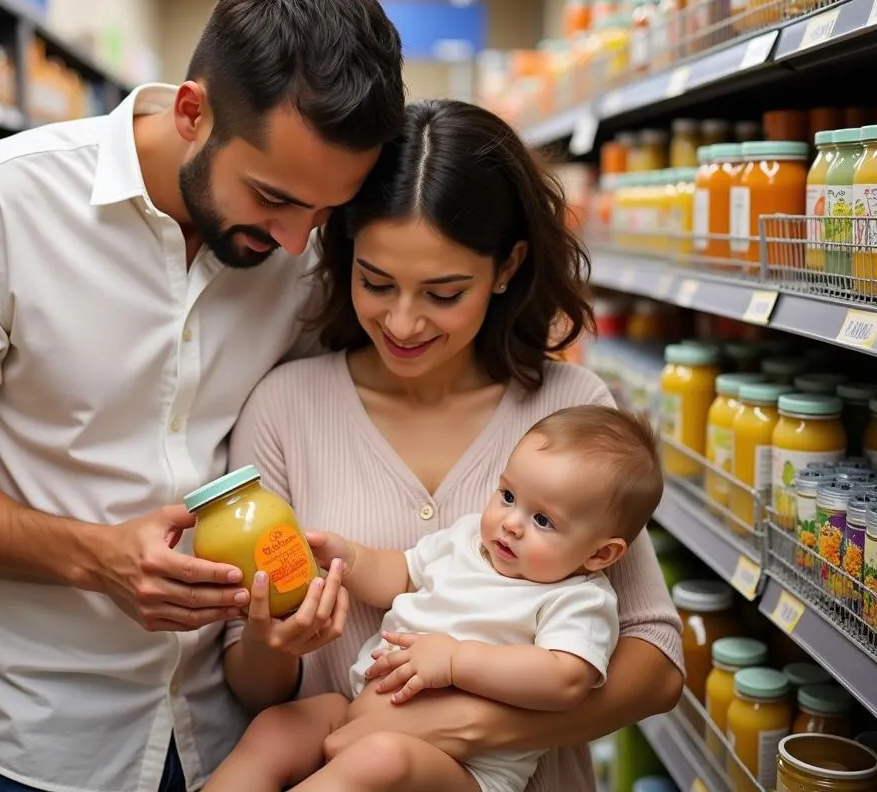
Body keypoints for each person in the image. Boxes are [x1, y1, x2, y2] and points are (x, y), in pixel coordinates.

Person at [0, 0, 405, 792]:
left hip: (238, 733)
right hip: (43, 737)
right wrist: (95, 557)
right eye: (272, 198)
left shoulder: (305, 250)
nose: (298, 245)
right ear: (192, 113)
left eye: (324, 213)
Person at [218, 99, 684, 792]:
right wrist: (271, 638)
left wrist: (467, 726)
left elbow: (656, 664)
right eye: (376, 282)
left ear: (506, 267)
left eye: (443, 292)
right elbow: (256, 690)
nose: (402, 322)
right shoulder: (286, 407)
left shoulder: (571, 410)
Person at [206, 405, 664, 792]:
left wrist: (455, 662)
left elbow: (566, 680)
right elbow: (401, 572)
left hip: (467, 767)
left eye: (543, 520)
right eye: (507, 495)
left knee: (379, 759)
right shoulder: (467, 541)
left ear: (601, 553)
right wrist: (348, 557)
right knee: (276, 728)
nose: (511, 523)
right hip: (356, 705)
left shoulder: (576, 600)